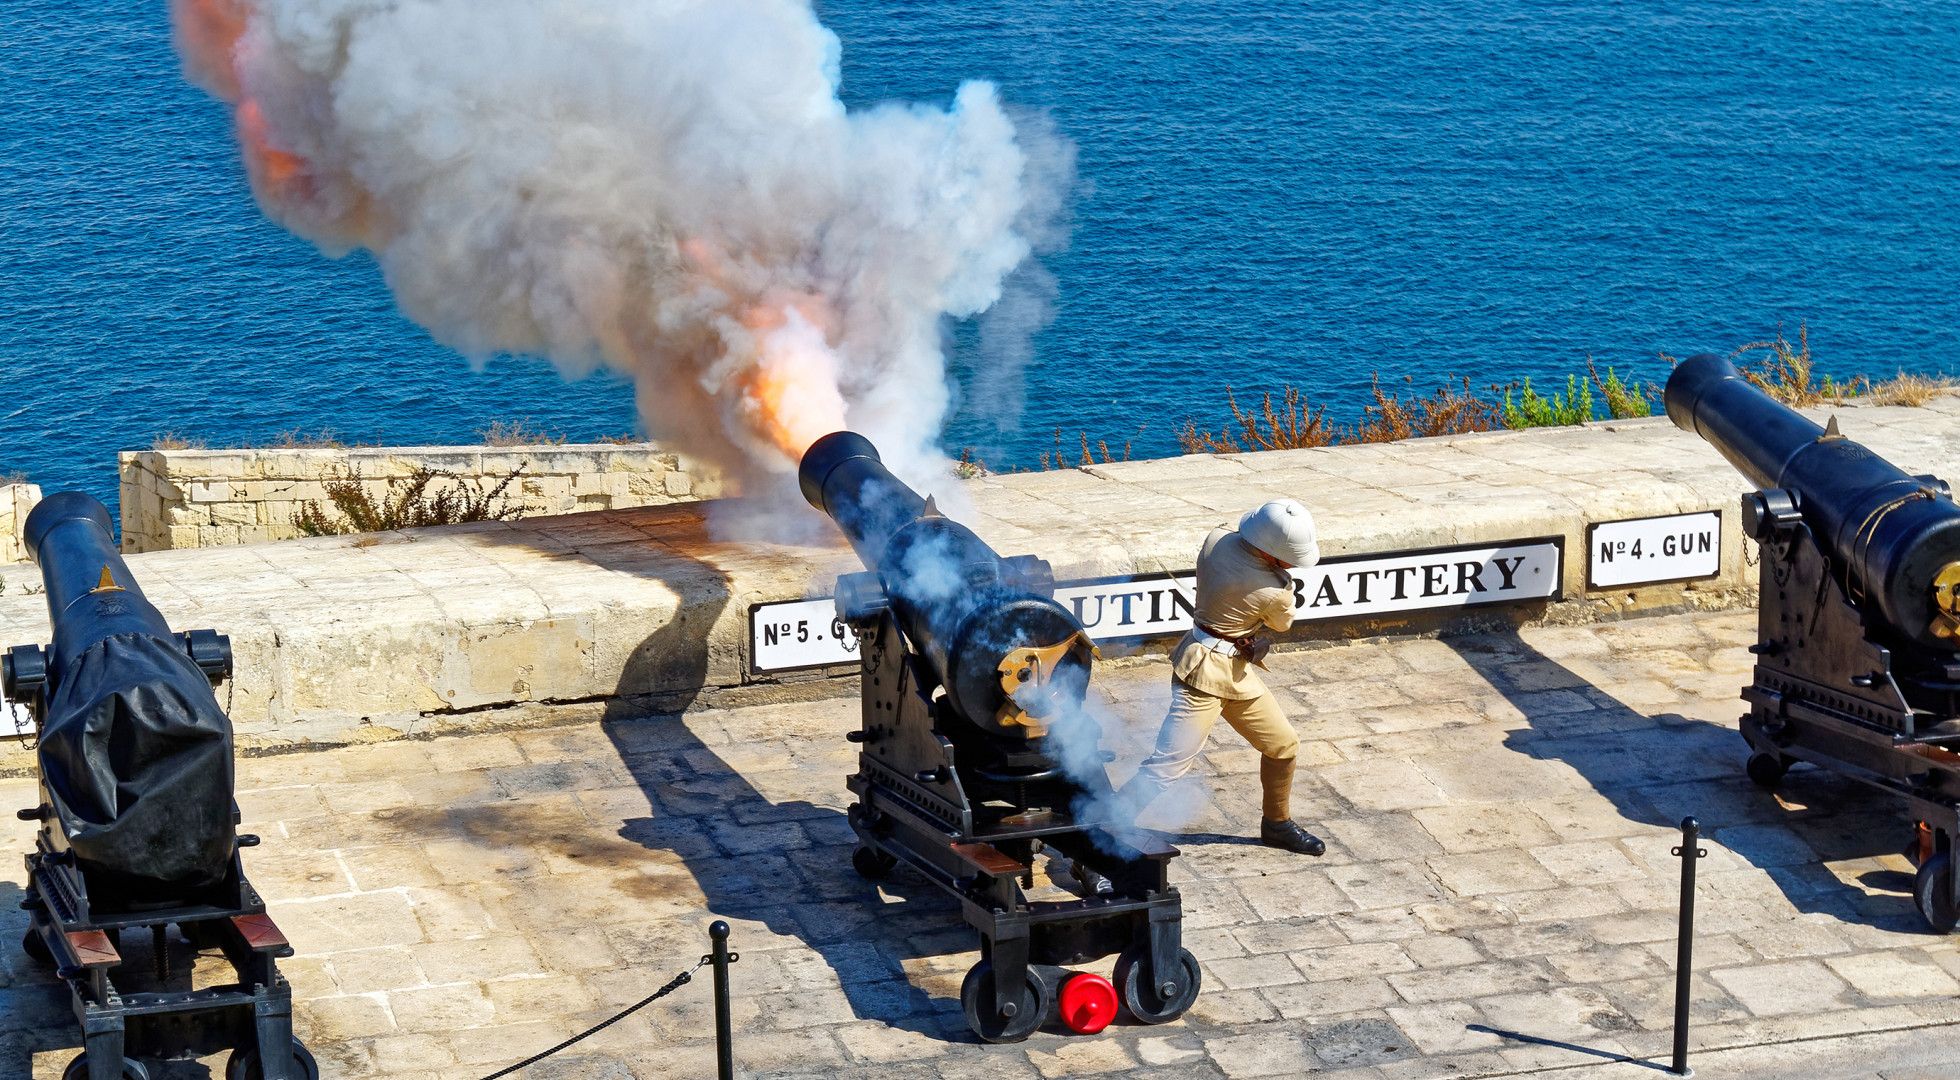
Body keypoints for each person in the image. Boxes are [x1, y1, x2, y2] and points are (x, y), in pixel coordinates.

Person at [1117, 499, 1326, 855]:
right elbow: (1281, 623)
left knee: (1283, 744)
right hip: (1203, 676)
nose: (1293, 563)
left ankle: (1276, 824)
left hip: (1229, 668)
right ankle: (1103, 826)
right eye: (1288, 557)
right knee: (1167, 765)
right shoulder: (1275, 591)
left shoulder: (1216, 540)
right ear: (1271, 553)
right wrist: (1282, 582)